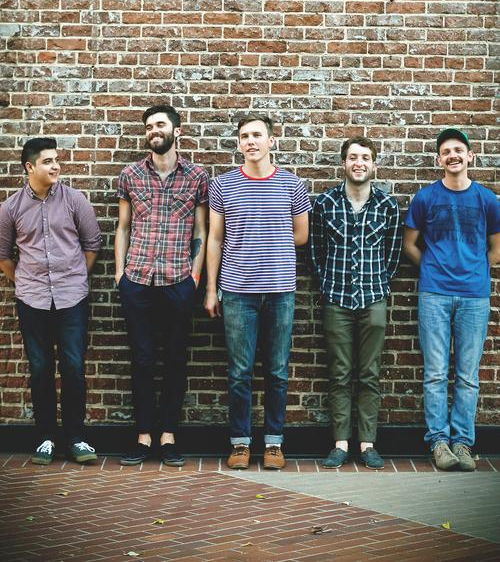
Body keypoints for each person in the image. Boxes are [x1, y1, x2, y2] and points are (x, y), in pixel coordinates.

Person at [204, 114, 310, 470]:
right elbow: (215, 239)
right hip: (237, 292)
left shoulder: (292, 184)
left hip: (280, 291)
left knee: (277, 371)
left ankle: (274, 444)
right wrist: (211, 289)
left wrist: (269, 241)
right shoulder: (223, 185)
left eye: (257, 135)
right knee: (240, 372)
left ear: (271, 140)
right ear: (239, 143)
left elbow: (301, 235)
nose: (251, 141)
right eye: (245, 136)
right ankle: (240, 443)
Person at [115, 104, 209, 466]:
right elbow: (123, 227)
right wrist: (120, 274)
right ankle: (143, 436)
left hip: (178, 280)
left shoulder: (197, 177)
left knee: (174, 358)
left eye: (160, 125)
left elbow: (200, 230)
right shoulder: (130, 175)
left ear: (176, 131)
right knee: (141, 359)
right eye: (149, 126)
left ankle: (168, 435)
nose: (153, 130)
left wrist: (195, 277)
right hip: (137, 279)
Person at [0, 137, 102, 465]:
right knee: (40, 368)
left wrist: (74, 277)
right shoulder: (11, 208)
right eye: (48, 161)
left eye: (56, 160)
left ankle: (75, 438)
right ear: (29, 167)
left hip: (72, 299)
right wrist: (25, 282)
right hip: (32, 301)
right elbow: (3, 256)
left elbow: (92, 244)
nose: (55, 166)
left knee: (73, 366)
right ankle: (45, 437)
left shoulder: (74, 200)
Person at [404, 128, 500, 471]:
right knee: (434, 373)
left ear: (471, 155)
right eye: (446, 152)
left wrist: (475, 270)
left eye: (458, 150)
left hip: (474, 296)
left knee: (468, 375)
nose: (453, 156)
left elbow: (496, 249)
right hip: (434, 294)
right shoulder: (426, 198)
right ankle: (439, 443)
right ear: (438, 159)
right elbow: (410, 244)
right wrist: (434, 268)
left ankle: (462, 443)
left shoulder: (487, 199)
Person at [310, 136, 402, 470]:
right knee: (339, 372)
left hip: (373, 298)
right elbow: (316, 252)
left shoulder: (387, 206)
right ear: (344, 163)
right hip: (336, 299)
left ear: (374, 164)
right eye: (352, 157)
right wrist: (328, 284)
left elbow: (393, 255)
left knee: (369, 373)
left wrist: (378, 283)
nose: (358, 163)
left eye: (365, 157)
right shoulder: (325, 203)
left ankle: (367, 443)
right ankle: (340, 443)